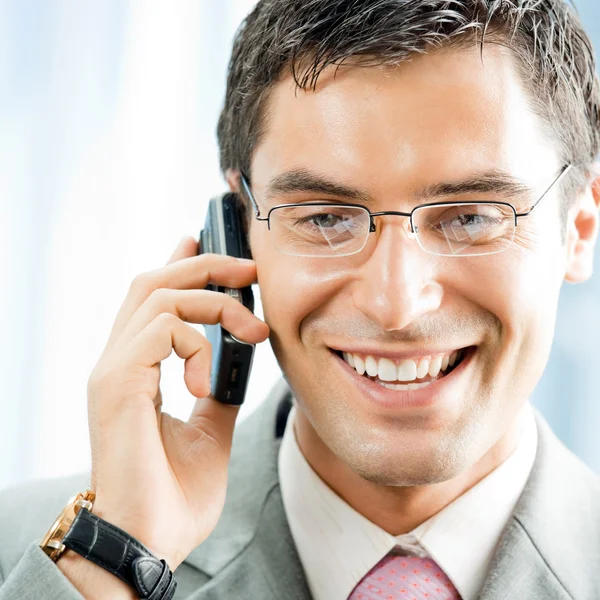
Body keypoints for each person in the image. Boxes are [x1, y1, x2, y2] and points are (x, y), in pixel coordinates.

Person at [2, 0, 600, 598]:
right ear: (237, 231)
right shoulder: (33, 561)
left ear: (577, 228)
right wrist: (116, 558)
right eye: (324, 219)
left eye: (471, 217)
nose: (396, 305)